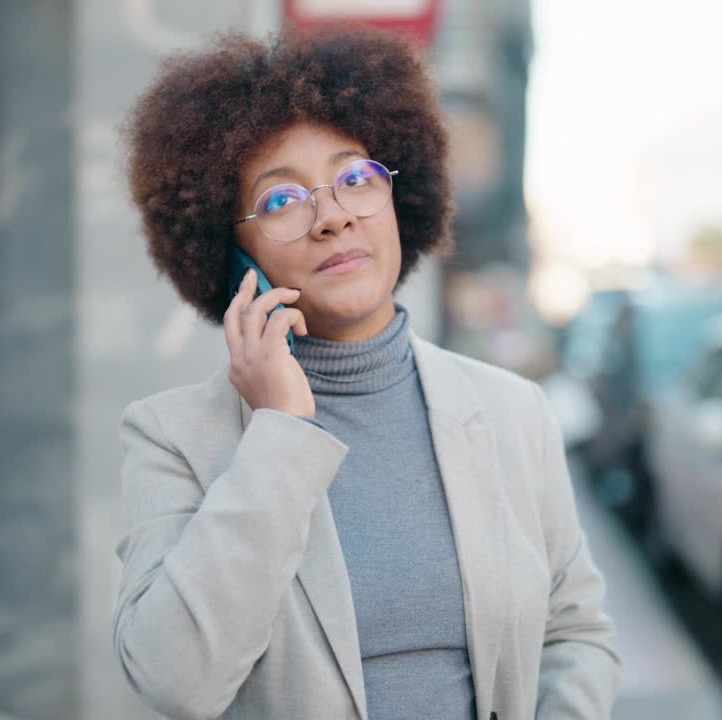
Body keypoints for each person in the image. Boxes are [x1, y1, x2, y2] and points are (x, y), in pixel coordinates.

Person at [113, 26, 619, 720]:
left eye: (354, 178)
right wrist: (280, 432)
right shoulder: (172, 438)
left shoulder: (512, 412)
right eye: (283, 200)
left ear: (396, 200)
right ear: (228, 254)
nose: (332, 218)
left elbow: (576, 633)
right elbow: (175, 680)